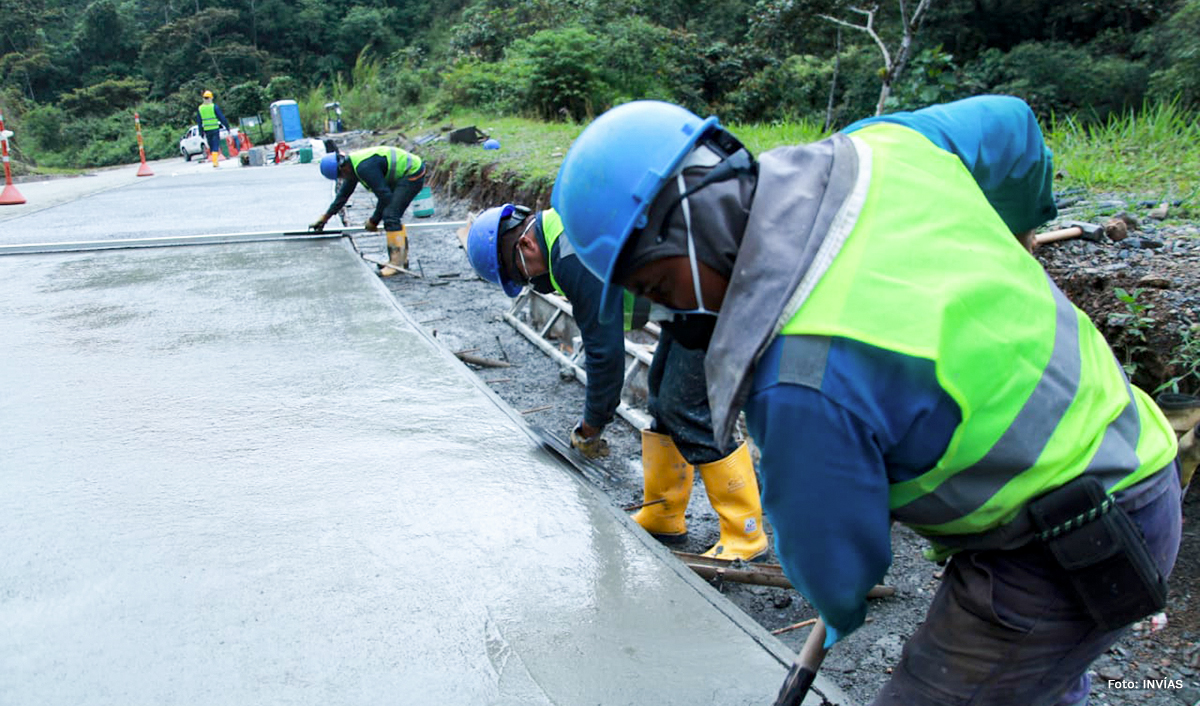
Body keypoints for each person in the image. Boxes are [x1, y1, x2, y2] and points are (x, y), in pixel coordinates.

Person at [551, 96, 1182, 705]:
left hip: (1064, 547)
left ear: (699, 220)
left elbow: (838, 570)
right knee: (1038, 682)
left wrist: (838, 608)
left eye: (657, 283)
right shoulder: (878, 150)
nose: (669, 313)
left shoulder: (802, 373)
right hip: (1133, 451)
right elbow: (1012, 127)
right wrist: (1020, 227)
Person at [464, 205, 768, 560]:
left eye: (525, 278)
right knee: (662, 398)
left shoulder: (571, 255)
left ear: (527, 246)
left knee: (684, 405)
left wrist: (591, 427)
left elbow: (604, 355)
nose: (534, 284)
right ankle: (664, 513)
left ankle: (745, 534)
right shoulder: (565, 228)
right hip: (691, 292)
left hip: (721, 288)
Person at [310, 146, 427, 276]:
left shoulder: (364, 168)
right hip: (402, 175)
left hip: (412, 173)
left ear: (343, 167)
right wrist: (325, 217)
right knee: (391, 214)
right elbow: (343, 196)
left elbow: (385, 196)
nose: (342, 178)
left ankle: (396, 264)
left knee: (391, 215)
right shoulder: (352, 167)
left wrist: (374, 220)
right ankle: (400, 260)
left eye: (341, 175)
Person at [196, 90, 230, 169]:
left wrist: (201, 132)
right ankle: (215, 162)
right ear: (211, 98)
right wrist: (227, 127)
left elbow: (199, 121)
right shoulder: (214, 106)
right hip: (214, 129)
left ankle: (215, 161)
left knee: (211, 145)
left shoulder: (200, 108)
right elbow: (221, 118)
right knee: (215, 145)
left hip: (207, 130)